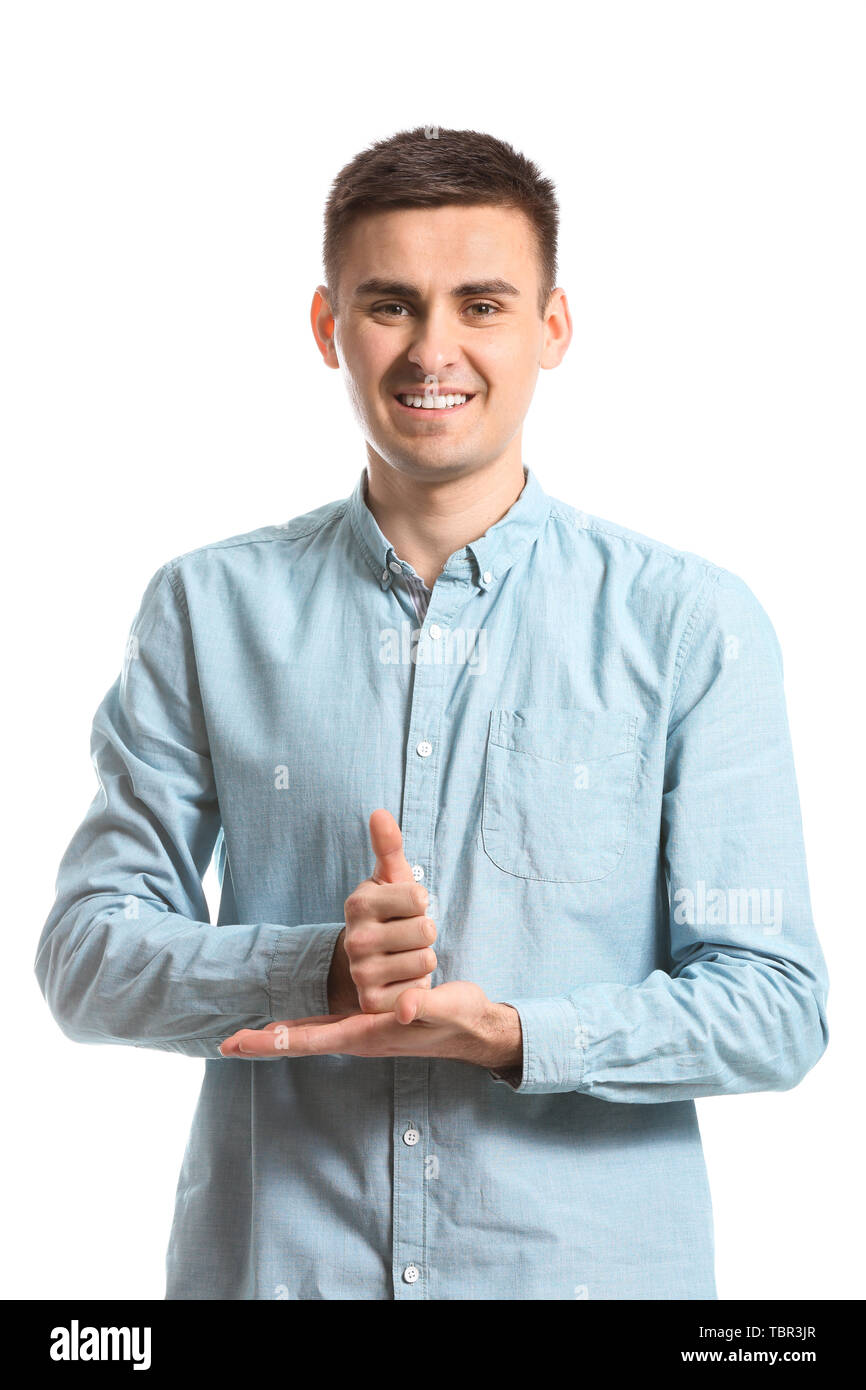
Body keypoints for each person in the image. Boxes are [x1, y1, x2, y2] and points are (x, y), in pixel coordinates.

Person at [35, 126, 829, 1301]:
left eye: (482, 304)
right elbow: (87, 959)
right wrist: (316, 969)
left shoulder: (688, 624)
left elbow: (772, 1004)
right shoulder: (207, 610)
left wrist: (515, 1033)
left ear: (551, 327)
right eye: (391, 304)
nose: (432, 350)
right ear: (328, 328)